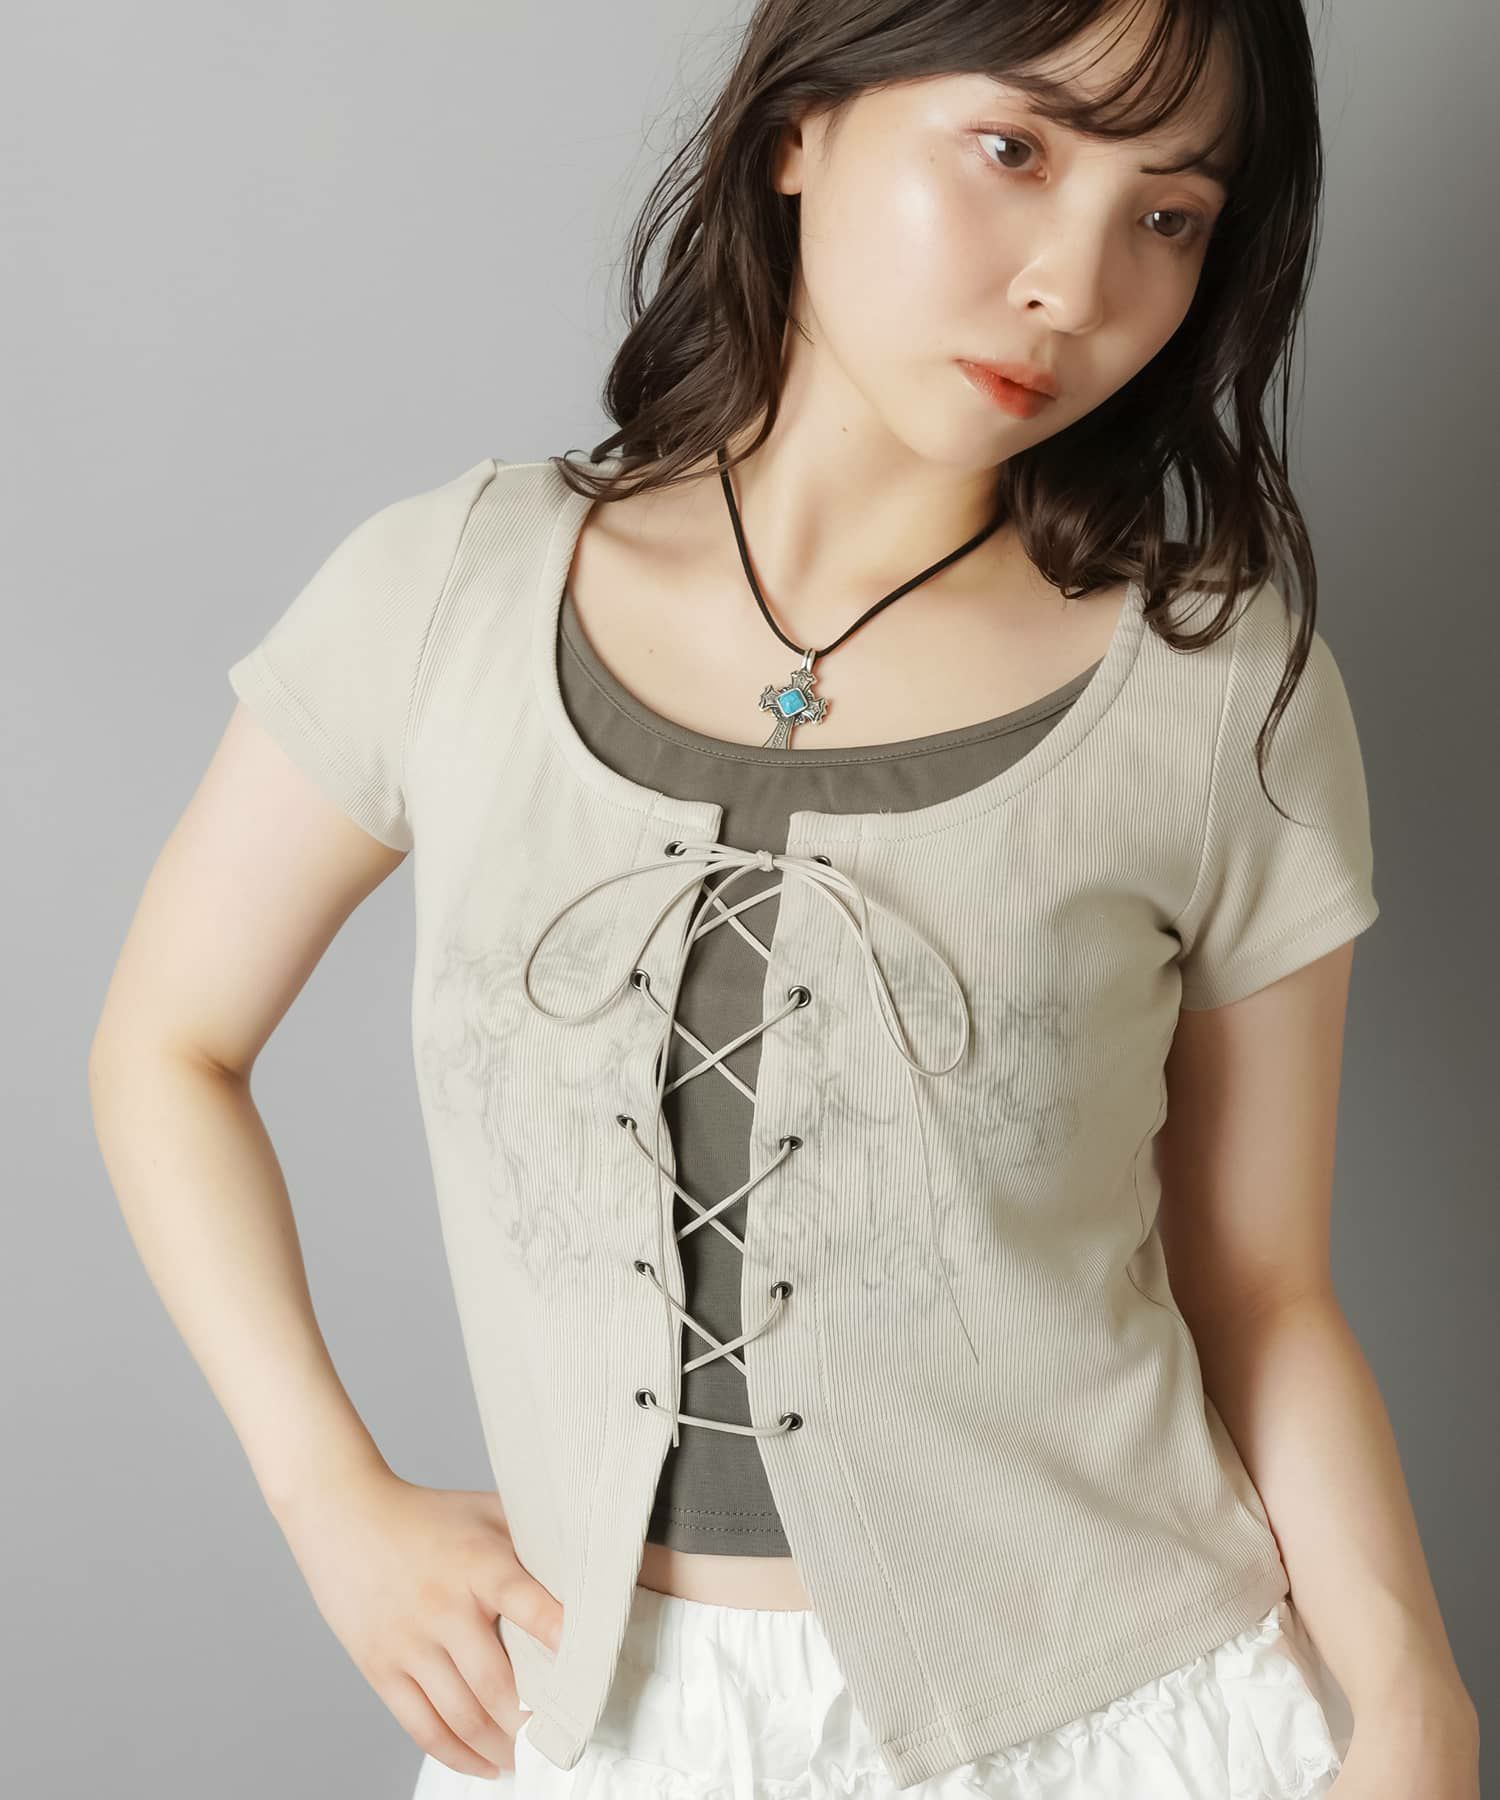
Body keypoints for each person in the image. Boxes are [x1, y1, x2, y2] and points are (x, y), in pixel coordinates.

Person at [88, 1, 1481, 1796]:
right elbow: (165, 1046)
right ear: (797, 130)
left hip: (1122, 1715)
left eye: (1169, 215)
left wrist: (1413, 1701)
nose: (1073, 283)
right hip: (591, 1721)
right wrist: (329, 1497)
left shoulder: (1220, 690)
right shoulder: (449, 593)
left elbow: (1264, 1289)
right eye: (1015, 149)